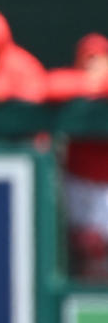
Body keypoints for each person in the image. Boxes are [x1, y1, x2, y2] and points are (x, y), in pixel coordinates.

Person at [46, 33, 108, 279]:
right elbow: (50, 87)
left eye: (98, 59)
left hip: (104, 184)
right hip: (77, 180)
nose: (92, 65)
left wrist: (97, 83)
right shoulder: (75, 83)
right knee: (80, 247)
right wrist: (89, 84)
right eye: (88, 60)